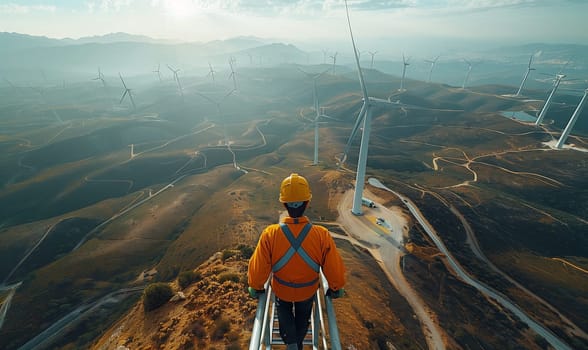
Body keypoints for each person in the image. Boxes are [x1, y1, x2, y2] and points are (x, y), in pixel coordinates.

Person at [248, 173, 346, 350]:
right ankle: (298, 342)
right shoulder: (321, 235)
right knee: (303, 315)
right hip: (307, 292)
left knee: (283, 311)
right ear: (307, 203)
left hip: (282, 290)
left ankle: (291, 343)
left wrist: (255, 286)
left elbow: (259, 267)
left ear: (284, 204)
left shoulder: (270, 234)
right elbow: (333, 267)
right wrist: (336, 287)